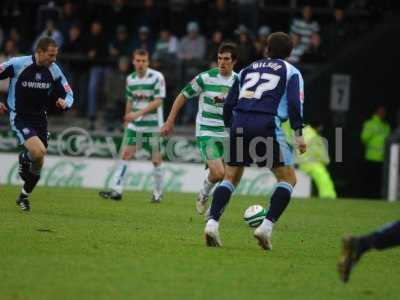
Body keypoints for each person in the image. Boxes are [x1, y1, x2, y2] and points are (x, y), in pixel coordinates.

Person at [204, 32, 306, 249]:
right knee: (288, 179)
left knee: (230, 177)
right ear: (290, 52)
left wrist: (230, 129)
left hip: (240, 121)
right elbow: (295, 105)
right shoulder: (291, 71)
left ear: (266, 49)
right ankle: (266, 228)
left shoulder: (246, 69)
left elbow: (229, 103)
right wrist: (298, 134)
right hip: (267, 123)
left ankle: (212, 224)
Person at [161, 43, 238, 214]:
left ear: (234, 62)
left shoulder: (240, 82)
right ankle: (203, 193)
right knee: (218, 173)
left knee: (227, 177)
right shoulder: (205, 78)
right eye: (219, 58)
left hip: (228, 133)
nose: (222, 62)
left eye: (226, 59)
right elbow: (182, 95)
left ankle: (213, 212)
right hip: (207, 131)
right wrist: (170, 120)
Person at [0, 37, 73, 211]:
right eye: (51, 55)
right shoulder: (18, 64)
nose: (54, 59)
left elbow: (69, 94)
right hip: (20, 117)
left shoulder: (54, 70)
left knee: (39, 159)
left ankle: (24, 196)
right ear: (39, 52)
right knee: (39, 151)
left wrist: (66, 102)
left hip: (40, 119)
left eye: (56, 55)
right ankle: (26, 157)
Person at [99, 49, 166, 203]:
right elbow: (130, 100)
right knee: (125, 155)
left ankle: (157, 193)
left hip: (153, 126)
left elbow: (158, 101)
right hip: (135, 126)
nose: (141, 63)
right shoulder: (131, 79)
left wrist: (136, 114)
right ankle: (117, 190)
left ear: (148, 62)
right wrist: (127, 118)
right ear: (133, 61)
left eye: (144, 61)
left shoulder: (157, 77)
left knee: (156, 160)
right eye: (138, 60)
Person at [361, 105, 391, 198]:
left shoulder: (386, 126)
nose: (383, 113)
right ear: (376, 112)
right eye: (381, 111)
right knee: (370, 181)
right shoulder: (370, 124)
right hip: (371, 158)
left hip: (383, 159)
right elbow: (364, 138)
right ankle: (367, 197)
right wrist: (373, 131)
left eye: (384, 112)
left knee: (380, 182)